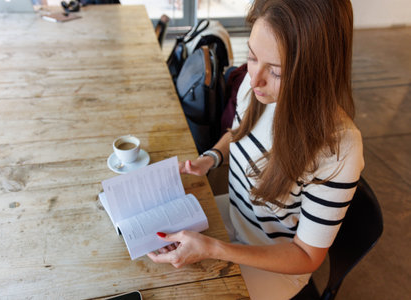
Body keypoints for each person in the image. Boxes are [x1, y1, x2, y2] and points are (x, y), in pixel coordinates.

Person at [147, 0, 364, 299]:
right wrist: (212, 157)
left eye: (276, 71)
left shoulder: (339, 148)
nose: (255, 79)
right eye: (251, 55)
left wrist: (215, 249)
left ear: (316, 72)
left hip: (275, 264)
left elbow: (306, 255)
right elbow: (240, 130)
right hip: (233, 222)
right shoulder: (255, 85)